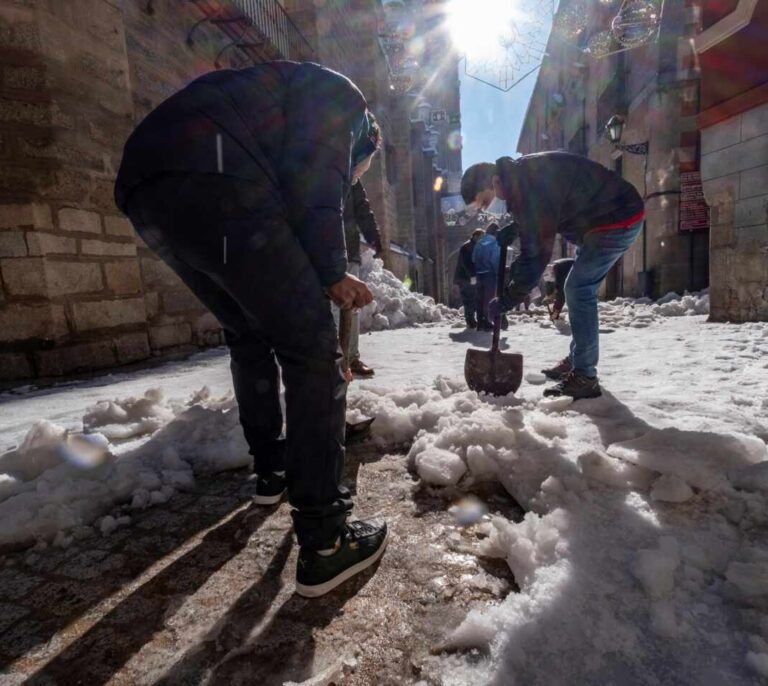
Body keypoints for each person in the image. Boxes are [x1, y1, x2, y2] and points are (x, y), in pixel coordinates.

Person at [114, 60, 388, 598]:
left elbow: (284, 215)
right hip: (217, 176)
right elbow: (316, 185)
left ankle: (273, 470)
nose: (352, 181)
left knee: (247, 333)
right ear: (365, 144)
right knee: (313, 353)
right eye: (357, 174)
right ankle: (327, 540)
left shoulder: (275, 102)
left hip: (147, 189)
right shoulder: (342, 99)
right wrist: (331, 273)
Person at [461, 152, 644, 399]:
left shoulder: (528, 186)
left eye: (484, 203)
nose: (487, 211)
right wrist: (515, 228)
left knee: (578, 289)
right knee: (576, 288)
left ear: (494, 183)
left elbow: (536, 254)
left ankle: (585, 376)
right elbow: (546, 211)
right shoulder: (521, 179)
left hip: (617, 217)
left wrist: (509, 299)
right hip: (598, 221)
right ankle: (579, 361)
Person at [332, 179, 383, 377]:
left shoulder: (350, 169)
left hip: (348, 249)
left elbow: (362, 207)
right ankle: (327, 359)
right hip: (317, 250)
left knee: (351, 307)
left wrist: (373, 237)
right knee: (324, 309)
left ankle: (350, 358)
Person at [453, 228, 484, 329]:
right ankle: (470, 321)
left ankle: (471, 320)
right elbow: (465, 264)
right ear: (475, 236)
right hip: (466, 278)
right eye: (481, 237)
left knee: (473, 299)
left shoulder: (475, 246)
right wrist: (472, 275)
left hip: (470, 277)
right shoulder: (467, 247)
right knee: (469, 299)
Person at [472, 223, 501, 331]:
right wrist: (498, 271)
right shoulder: (495, 243)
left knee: (479, 298)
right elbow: (495, 259)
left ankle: (480, 322)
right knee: (489, 299)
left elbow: (473, 258)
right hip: (490, 274)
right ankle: (487, 321)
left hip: (479, 274)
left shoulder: (479, 242)